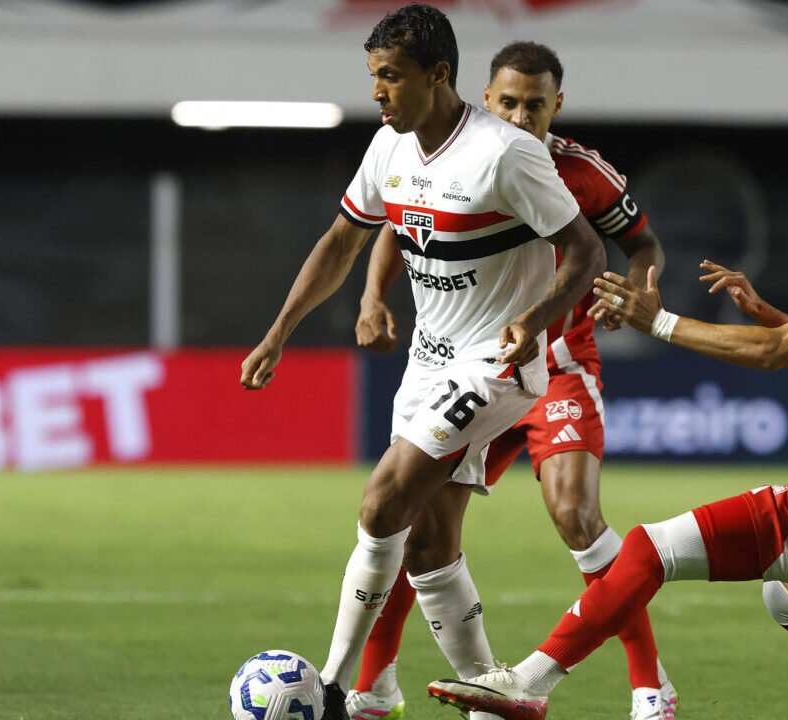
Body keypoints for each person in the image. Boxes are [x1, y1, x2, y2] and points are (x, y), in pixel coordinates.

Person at [426, 175, 788, 720]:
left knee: (648, 549)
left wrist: (658, 322)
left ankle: (529, 684)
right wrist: (770, 315)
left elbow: (774, 354)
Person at [238, 6, 607, 720]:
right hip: (427, 365)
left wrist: (532, 320)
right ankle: (494, 697)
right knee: (430, 547)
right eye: (374, 77)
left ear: (438, 76)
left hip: (496, 365)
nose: (377, 92)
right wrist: (280, 331)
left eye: (390, 78)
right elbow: (342, 242)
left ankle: (330, 691)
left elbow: (589, 250)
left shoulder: (507, 153)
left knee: (381, 502)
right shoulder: (389, 149)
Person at [348, 41, 675, 720]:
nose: (522, 116)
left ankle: (650, 686)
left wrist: (637, 291)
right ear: (484, 98)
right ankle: (375, 687)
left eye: (536, 104)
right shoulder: (460, 155)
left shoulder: (583, 172)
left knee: (576, 518)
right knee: (411, 522)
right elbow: (396, 222)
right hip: (474, 364)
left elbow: (641, 242)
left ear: (558, 105)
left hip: (558, 367)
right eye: (509, 102)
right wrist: (372, 297)